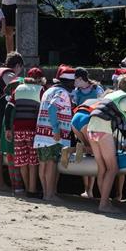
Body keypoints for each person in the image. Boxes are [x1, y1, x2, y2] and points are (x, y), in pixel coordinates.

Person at [85, 74, 126, 213]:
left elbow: (104, 117)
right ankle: (104, 205)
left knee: (102, 168)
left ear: (119, 86)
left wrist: (121, 141)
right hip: (103, 131)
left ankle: (104, 202)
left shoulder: (110, 96)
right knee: (112, 168)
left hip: (91, 130)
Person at [34, 64, 75, 201]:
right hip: (53, 135)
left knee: (43, 163)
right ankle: (50, 194)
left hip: (41, 133)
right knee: (51, 163)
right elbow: (52, 108)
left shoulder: (48, 90)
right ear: (68, 82)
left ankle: (46, 193)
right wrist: (56, 130)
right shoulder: (62, 93)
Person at [8, 68, 46, 197]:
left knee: (23, 161)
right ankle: (32, 190)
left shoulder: (17, 89)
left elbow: (9, 109)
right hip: (33, 129)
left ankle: (25, 188)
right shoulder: (40, 90)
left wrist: (8, 129)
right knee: (33, 161)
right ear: (40, 80)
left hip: (18, 129)